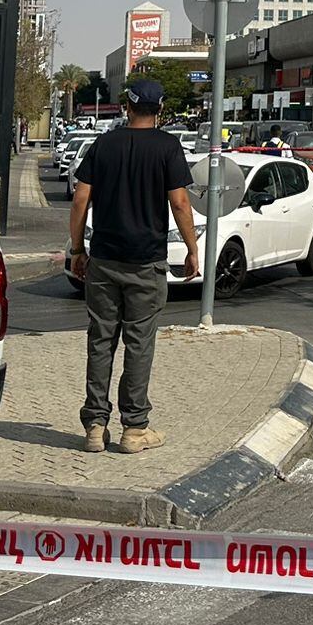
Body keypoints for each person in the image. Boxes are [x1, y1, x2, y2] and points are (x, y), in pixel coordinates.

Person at [69, 79, 201, 454]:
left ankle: (95, 426)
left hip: (104, 260)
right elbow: (179, 204)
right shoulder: (167, 147)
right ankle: (134, 429)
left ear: (127, 107)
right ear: (159, 111)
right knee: (139, 345)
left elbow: (80, 200)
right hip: (146, 262)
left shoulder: (103, 145)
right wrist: (192, 249)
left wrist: (78, 249)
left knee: (100, 342)